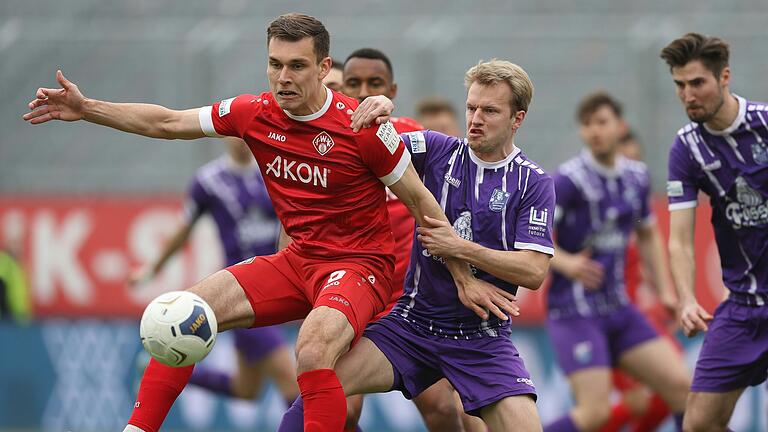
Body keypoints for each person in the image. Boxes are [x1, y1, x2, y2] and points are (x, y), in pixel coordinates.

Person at [23, 13, 516, 432]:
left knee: (316, 350)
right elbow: (166, 122)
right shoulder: (253, 112)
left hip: (360, 267)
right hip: (297, 261)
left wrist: (462, 275)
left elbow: (422, 202)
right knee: (189, 308)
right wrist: (88, 109)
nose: (283, 77)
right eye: (275, 64)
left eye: (297, 66)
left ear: (324, 69)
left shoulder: (362, 129)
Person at [278, 59, 555, 432]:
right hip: (412, 325)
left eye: (490, 110)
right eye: (471, 107)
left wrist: (459, 247)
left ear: (517, 118)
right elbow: (367, 147)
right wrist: (381, 108)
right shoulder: (438, 150)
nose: (475, 118)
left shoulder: (534, 183)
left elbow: (533, 271)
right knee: (321, 389)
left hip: (482, 339)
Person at [340, 47, 476, 432]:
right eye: (354, 84)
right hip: (350, 292)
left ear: (392, 90)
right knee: (341, 410)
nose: (364, 92)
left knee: (444, 409)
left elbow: (445, 202)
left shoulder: (412, 138)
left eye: (374, 84)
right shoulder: (326, 142)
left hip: (408, 301)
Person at [544, 92, 690, 432]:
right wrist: (565, 262)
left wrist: (667, 291)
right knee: (595, 413)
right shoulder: (567, 180)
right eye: (587, 124)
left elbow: (649, 233)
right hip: (574, 311)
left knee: (684, 389)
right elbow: (531, 234)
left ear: (619, 126)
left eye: (602, 122)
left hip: (620, 309)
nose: (595, 131)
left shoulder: (636, 177)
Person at [127, 137, 299, 405]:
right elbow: (182, 232)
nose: (243, 141)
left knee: (247, 389)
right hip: (241, 292)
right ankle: (160, 369)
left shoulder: (272, 173)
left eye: (248, 136)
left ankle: (157, 366)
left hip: (275, 285)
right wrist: (151, 270)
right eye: (236, 134)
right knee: (292, 383)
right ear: (224, 136)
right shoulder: (209, 181)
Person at [661, 32, 768, 432]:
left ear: (724, 77)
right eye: (679, 85)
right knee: (699, 425)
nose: (688, 95)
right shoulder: (687, 149)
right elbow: (680, 239)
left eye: (697, 83)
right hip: (740, 309)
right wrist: (687, 299)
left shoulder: (764, 123)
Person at [600, 130, 679, 432]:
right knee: (636, 403)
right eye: (624, 163)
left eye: (636, 163)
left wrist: (664, 299)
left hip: (636, 316)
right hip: (609, 320)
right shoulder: (595, 212)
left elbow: (643, 263)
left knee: (679, 388)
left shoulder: (637, 213)